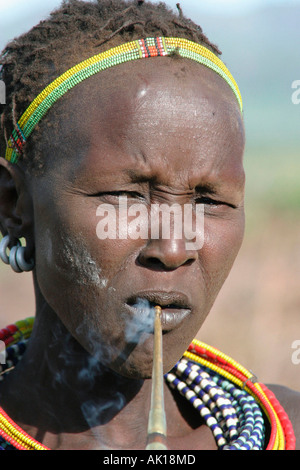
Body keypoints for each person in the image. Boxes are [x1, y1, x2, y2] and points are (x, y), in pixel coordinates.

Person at [0, 0, 299, 451]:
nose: (174, 247)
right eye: (127, 197)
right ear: (12, 203)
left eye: (208, 200)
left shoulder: (287, 430)